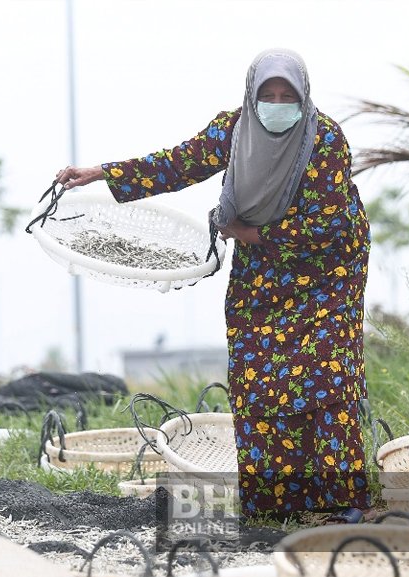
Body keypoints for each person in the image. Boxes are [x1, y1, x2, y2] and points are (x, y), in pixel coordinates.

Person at [56, 48, 372, 523]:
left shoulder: (324, 139)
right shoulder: (234, 128)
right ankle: (277, 503)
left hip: (325, 272)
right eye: (269, 95)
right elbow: (179, 163)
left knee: (323, 377)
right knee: (259, 377)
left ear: (304, 96)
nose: (279, 103)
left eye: (289, 95)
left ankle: (340, 502)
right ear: (252, 95)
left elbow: (329, 225)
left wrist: (249, 233)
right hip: (263, 272)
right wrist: (102, 172)